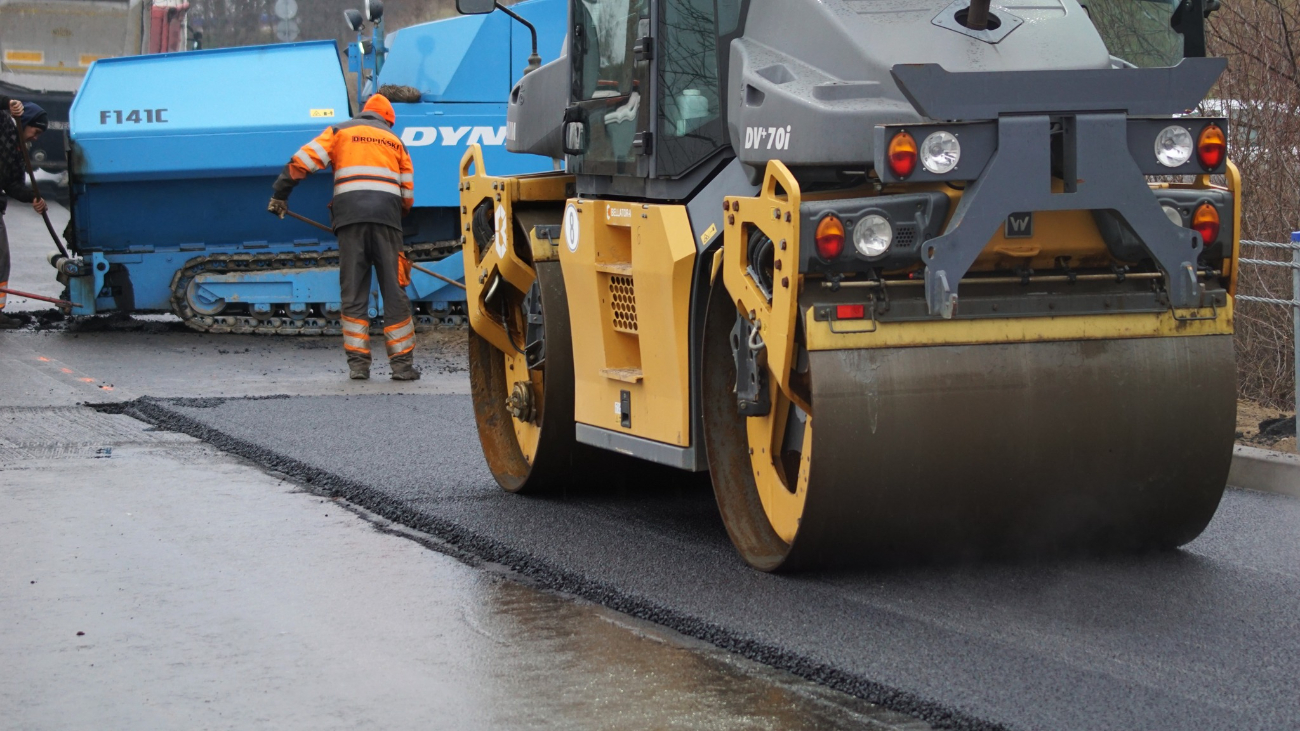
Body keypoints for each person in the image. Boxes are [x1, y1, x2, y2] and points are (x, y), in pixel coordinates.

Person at [267, 94, 418, 381]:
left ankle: (358, 366)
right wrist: (395, 218)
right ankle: (402, 367)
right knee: (394, 290)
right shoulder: (395, 141)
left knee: (353, 291)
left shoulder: (340, 132)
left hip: (349, 220)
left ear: (364, 114)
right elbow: (407, 194)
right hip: (387, 219)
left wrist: (280, 194)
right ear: (388, 120)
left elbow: (303, 161)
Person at [0, 97, 48, 329]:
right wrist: (6, 103)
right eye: (35, 131)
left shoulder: (18, 151)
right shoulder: (3, 123)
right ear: (23, 121)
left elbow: (13, 185)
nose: (35, 138)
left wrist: (33, 198)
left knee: (1, 261)